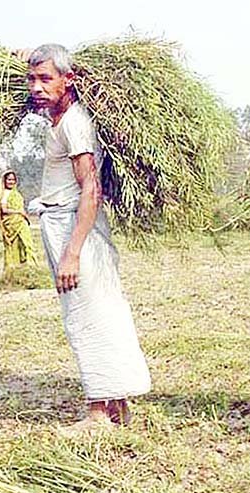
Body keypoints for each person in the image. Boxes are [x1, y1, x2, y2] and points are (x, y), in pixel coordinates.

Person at [23, 44, 151, 429]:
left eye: (46, 79)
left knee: (85, 316)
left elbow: (90, 189)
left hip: (74, 228)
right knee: (101, 310)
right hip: (65, 224)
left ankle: (98, 412)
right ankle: (117, 405)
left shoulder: (75, 123)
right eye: (32, 79)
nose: (37, 86)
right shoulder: (58, 120)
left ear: (69, 80)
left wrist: (72, 253)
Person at [0, 170, 37, 276]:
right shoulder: (4, 194)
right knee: (13, 248)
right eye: (9, 179)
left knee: (27, 244)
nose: (11, 182)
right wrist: (18, 212)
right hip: (11, 224)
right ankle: (13, 273)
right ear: (5, 181)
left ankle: (31, 269)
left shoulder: (16, 193)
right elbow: (3, 210)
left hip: (21, 222)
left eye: (13, 179)